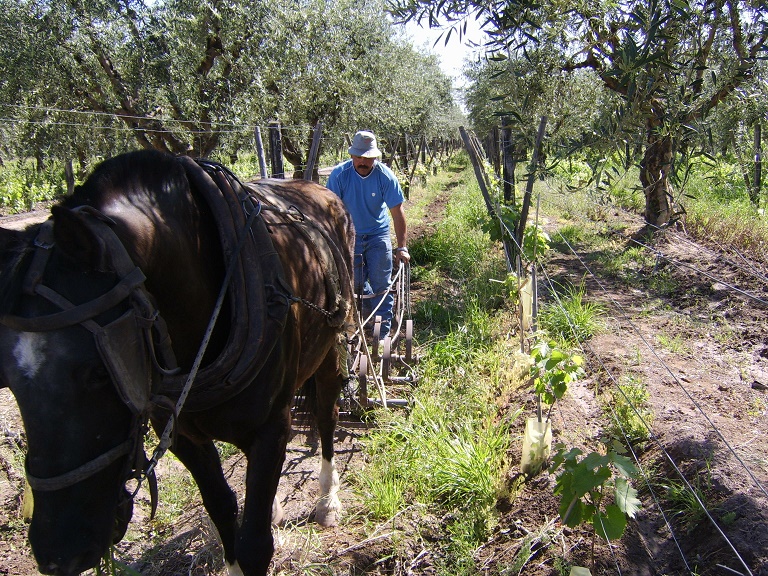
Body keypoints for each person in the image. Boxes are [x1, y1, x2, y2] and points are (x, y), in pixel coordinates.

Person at [326, 130, 410, 340]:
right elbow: (330, 212)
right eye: (359, 156)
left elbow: (397, 213)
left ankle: (382, 336)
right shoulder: (339, 175)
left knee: (381, 285)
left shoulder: (385, 176)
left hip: (377, 235)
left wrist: (401, 247)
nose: (363, 161)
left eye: (368, 158)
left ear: (375, 157)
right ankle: (352, 331)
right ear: (352, 155)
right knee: (352, 286)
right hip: (349, 236)